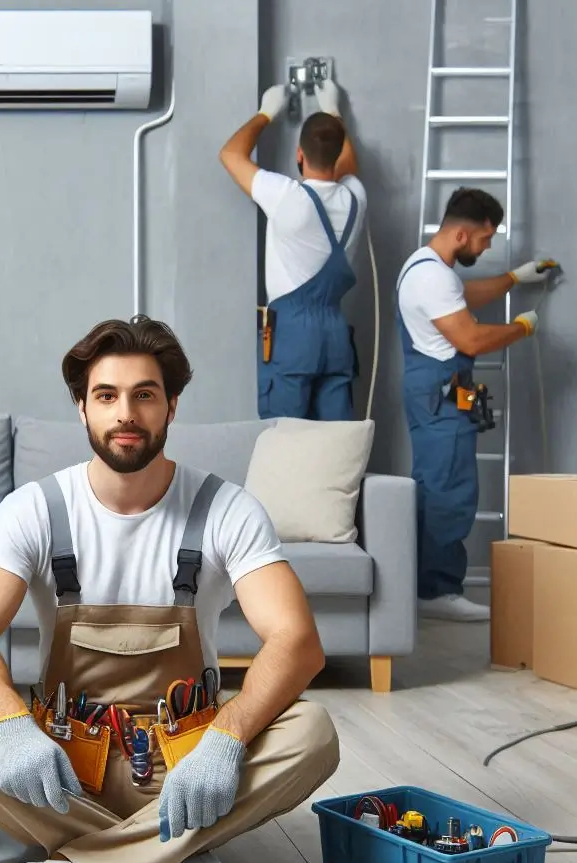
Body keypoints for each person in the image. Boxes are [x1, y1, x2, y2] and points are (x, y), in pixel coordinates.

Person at [0, 315, 340, 863]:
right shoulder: (35, 509)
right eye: (107, 395)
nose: (126, 413)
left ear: (171, 406)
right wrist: (10, 728)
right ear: (82, 409)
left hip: (190, 773)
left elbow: (298, 642)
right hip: (61, 772)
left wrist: (225, 742)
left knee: (314, 733)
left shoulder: (225, 509)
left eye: (145, 394)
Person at [396, 187, 559, 622]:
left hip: (435, 390)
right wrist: (521, 327)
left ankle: (425, 588)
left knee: (436, 487)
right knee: (449, 491)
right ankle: (437, 592)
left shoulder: (427, 266)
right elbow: (469, 337)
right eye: (487, 239)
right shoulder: (434, 277)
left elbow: (461, 300)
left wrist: (514, 279)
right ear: (464, 235)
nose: (489, 245)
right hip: (441, 392)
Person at [220, 79, 367, 421]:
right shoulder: (355, 197)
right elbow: (347, 162)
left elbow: (230, 154)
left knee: (284, 440)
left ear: (299, 155)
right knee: (337, 446)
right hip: (335, 333)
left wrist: (266, 112)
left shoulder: (287, 197)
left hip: (292, 335)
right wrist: (332, 110)